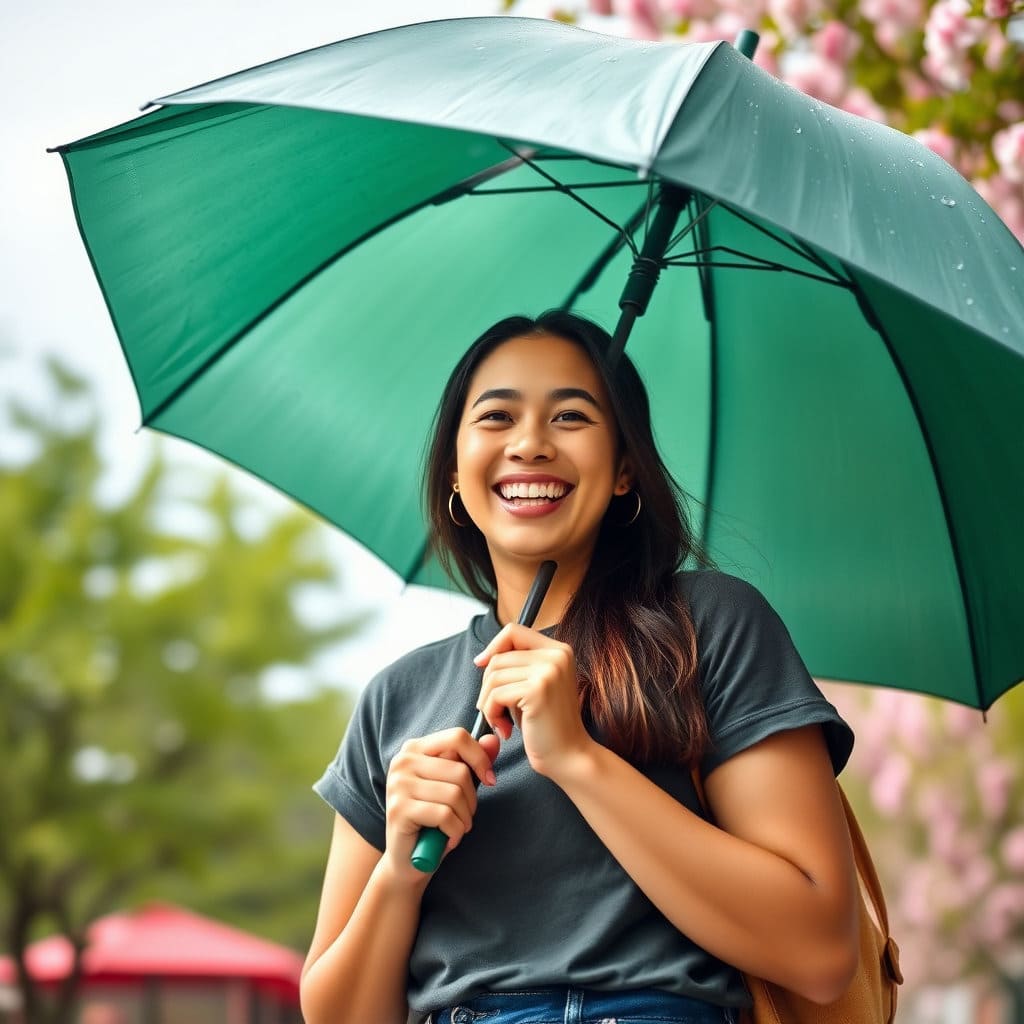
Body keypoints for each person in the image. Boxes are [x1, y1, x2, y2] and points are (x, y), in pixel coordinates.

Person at [300, 311, 859, 1024]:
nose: (530, 444)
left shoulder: (709, 628)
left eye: (571, 416)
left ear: (626, 469)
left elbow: (818, 951)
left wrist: (576, 759)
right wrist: (399, 872)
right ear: (453, 472)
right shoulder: (397, 699)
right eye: (497, 416)